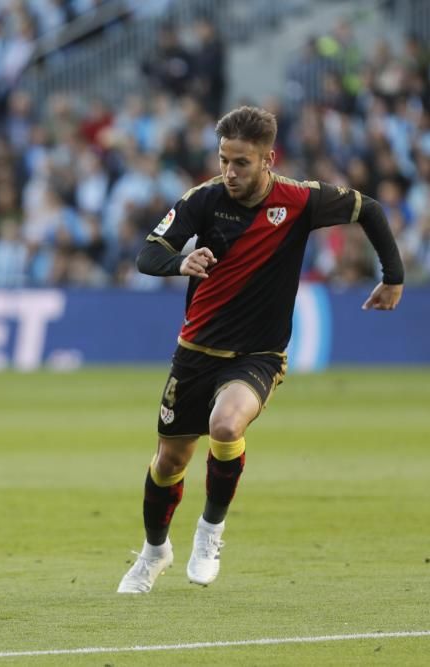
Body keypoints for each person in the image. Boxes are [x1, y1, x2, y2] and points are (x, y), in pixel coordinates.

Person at [117, 106, 404, 594]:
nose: (229, 171)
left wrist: (393, 278)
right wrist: (181, 261)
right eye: (224, 159)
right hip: (196, 349)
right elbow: (148, 252)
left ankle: (210, 533)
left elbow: (370, 209)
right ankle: (154, 552)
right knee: (170, 462)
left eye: (241, 163)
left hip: (259, 354)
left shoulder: (301, 200)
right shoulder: (203, 200)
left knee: (226, 425)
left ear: (269, 158)